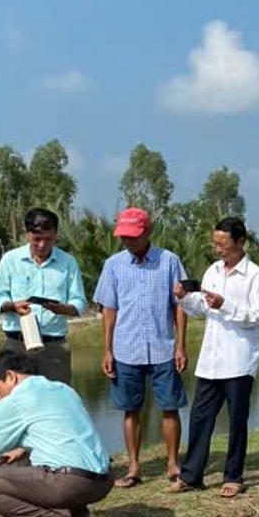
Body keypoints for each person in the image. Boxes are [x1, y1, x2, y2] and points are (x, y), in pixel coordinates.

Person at [0, 351, 113, 517]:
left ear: (11, 376)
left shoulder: (13, 401)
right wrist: (22, 450)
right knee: (60, 466)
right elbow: (61, 432)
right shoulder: (63, 389)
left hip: (71, 484)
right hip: (103, 481)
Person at [94, 207, 187, 488]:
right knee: (130, 409)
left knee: (170, 408)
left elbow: (180, 306)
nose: (128, 242)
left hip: (163, 347)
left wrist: (180, 346)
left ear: (148, 232)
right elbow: (109, 309)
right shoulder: (114, 265)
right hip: (125, 349)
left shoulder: (169, 261)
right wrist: (107, 349)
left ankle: (172, 463)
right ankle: (134, 467)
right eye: (123, 237)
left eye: (133, 236)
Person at [177, 217, 259, 497]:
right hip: (210, 360)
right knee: (199, 418)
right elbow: (200, 308)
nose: (218, 249)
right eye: (215, 243)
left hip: (239, 360)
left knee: (236, 421)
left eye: (223, 244)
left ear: (240, 242)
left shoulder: (255, 275)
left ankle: (233, 476)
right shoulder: (213, 271)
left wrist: (225, 305)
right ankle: (191, 476)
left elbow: (256, 316)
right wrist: (184, 297)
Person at [0, 208, 87, 384]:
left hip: (54, 348)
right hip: (17, 346)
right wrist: (12, 306)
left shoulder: (68, 262)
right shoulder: (10, 260)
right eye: (37, 239)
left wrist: (64, 309)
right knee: (16, 400)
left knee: (56, 403)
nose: (42, 245)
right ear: (27, 235)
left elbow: (79, 302)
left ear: (56, 235)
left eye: (48, 239)